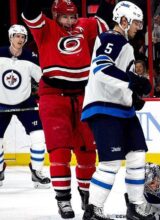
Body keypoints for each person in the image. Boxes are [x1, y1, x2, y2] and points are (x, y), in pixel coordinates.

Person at [22, 0, 115, 218]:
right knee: (60, 151)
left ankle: (86, 195)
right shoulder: (45, 28)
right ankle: (63, 200)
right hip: (53, 96)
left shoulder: (85, 25)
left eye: (73, 17)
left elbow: (105, 15)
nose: (70, 21)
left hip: (84, 95)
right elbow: (30, 10)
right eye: (65, 17)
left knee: (87, 151)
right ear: (55, 15)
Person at [81, 2, 153, 220]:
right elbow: (102, 68)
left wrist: (131, 96)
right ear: (124, 20)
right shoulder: (112, 37)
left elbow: (116, 74)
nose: (138, 28)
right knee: (110, 162)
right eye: (137, 23)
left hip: (121, 108)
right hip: (104, 107)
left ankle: (136, 205)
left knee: (137, 156)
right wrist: (133, 81)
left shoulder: (123, 43)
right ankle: (93, 209)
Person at [0, 24, 50, 188]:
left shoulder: (30, 56)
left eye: (22, 37)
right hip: (1, 102)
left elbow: (42, 79)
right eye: (16, 36)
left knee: (38, 136)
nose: (20, 39)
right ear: (10, 37)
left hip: (25, 102)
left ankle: (37, 171)